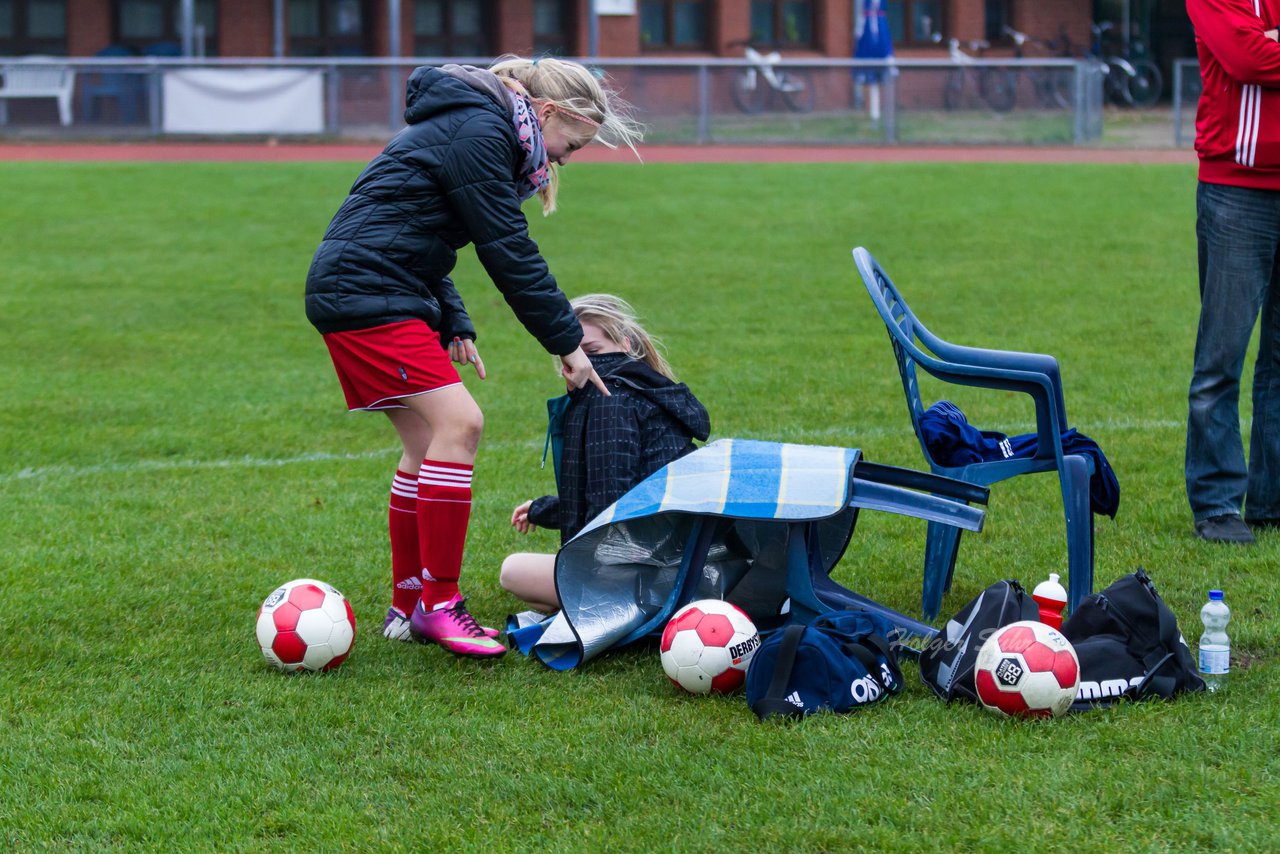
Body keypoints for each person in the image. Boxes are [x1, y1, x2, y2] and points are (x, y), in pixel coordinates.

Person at [304, 57, 643, 656]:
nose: (563, 159)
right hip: (365, 291)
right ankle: (439, 603)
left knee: (423, 444)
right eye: (571, 145)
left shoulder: (474, 124)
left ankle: (408, 606)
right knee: (461, 424)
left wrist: (453, 318)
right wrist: (567, 340)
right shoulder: (482, 130)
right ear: (547, 112)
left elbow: (418, 228)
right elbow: (506, 248)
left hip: (373, 286)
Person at [500, 295, 711, 612]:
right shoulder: (642, 386)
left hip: (651, 567)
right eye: (573, 354)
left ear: (625, 343)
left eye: (593, 352)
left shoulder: (607, 399)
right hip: (680, 554)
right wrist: (544, 509)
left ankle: (625, 607)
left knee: (513, 572)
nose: (582, 364)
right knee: (534, 593)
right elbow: (623, 486)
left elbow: (608, 509)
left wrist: (591, 575)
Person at [1184, 3, 1280, 544]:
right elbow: (1246, 58)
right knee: (1222, 358)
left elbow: (1261, 49)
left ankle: (1272, 501)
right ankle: (1217, 503)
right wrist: (1261, 40)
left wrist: (1270, 37)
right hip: (1236, 190)